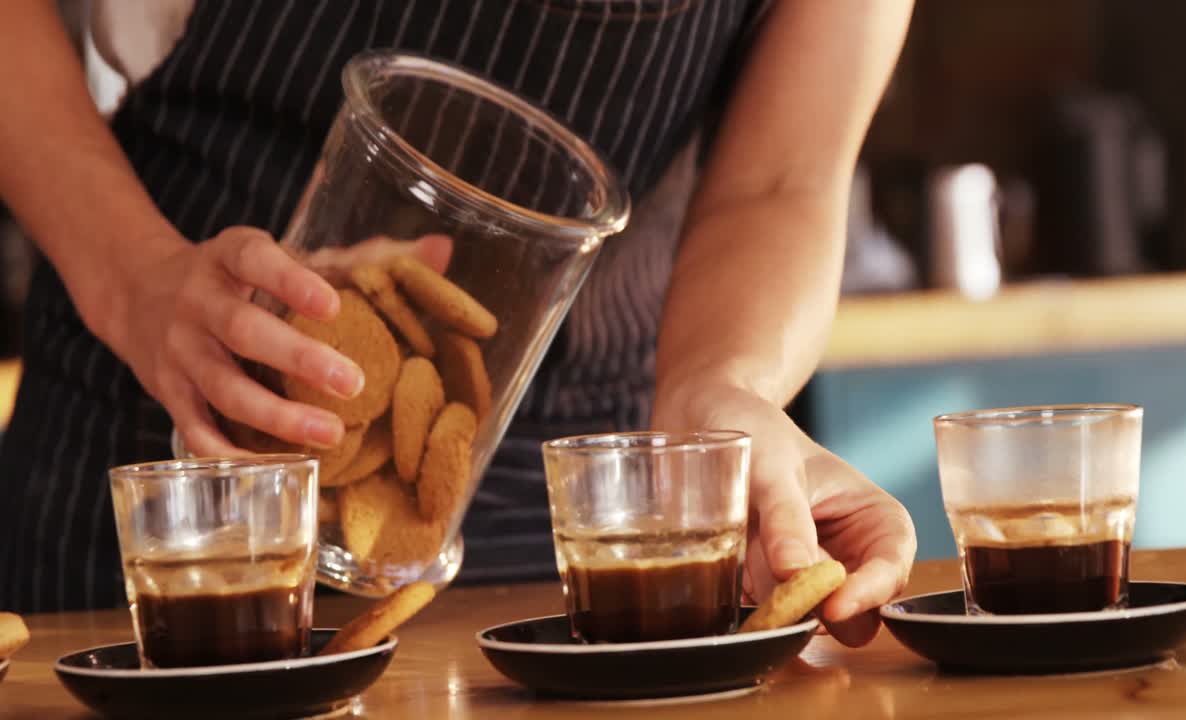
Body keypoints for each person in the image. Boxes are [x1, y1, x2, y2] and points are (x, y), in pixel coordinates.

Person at [0, 0, 916, 646]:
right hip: (152, 466)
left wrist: (725, 387)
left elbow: (781, 181)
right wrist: (136, 278)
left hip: (569, 498)